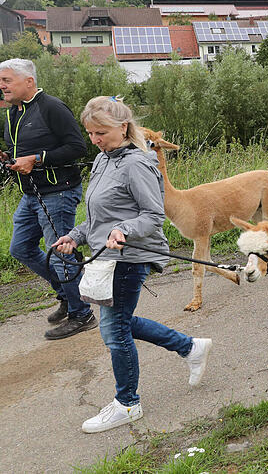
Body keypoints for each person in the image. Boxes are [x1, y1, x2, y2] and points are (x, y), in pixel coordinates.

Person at [51, 96, 211, 434]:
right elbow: (98, 217)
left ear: (123, 127)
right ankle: (190, 347)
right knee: (120, 322)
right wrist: (75, 236)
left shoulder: (138, 163)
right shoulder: (102, 160)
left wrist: (124, 229)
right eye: (90, 133)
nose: (94, 140)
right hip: (106, 257)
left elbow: (152, 217)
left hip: (130, 257)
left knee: (114, 329)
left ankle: (127, 403)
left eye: (101, 132)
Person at [1, 58, 95, 340]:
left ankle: (82, 314)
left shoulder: (51, 107)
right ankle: (67, 295)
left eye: (6, 80)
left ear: (28, 81)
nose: (1, 86)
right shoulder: (12, 112)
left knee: (60, 254)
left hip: (59, 192)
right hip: (31, 194)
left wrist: (38, 159)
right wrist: (9, 159)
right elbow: (20, 149)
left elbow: (78, 147)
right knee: (20, 248)